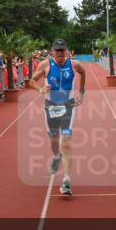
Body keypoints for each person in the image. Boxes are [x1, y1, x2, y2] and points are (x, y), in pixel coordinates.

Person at [28, 39, 87, 197]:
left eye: (63, 51)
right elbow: (31, 81)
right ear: (52, 51)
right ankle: (56, 156)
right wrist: (41, 88)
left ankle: (66, 180)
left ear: (67, 51)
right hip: (51, 106)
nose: (60, 54)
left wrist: (81, 91)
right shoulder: (45, 65)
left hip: (68, 106)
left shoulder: (74, 64)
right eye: (57, 51)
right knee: (54, 141)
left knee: (66, 142)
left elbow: (83, 72)